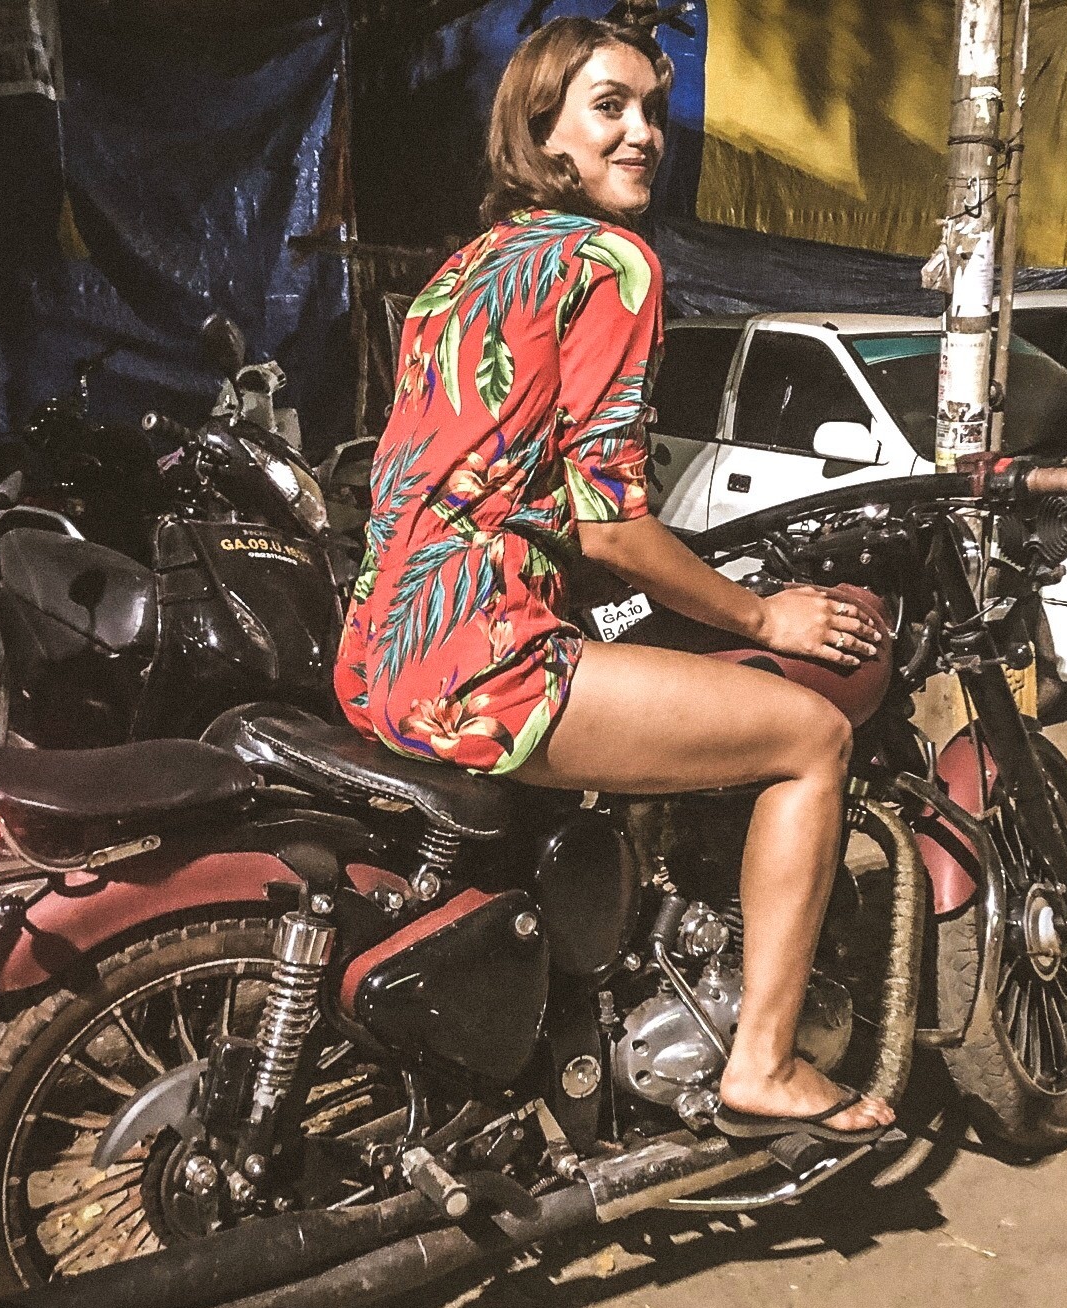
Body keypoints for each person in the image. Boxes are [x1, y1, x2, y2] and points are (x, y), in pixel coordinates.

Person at [336, 17, 895, 1143]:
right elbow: (612, 527)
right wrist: (762, 613)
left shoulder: (459, 272)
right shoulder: (608, 262)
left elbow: (487, 478)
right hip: (488, 663)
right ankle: (764, 1062)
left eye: (651, 111)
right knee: (810, 738)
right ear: (542, 130)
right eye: (609, 108)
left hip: (378, 655)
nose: (642, 133)